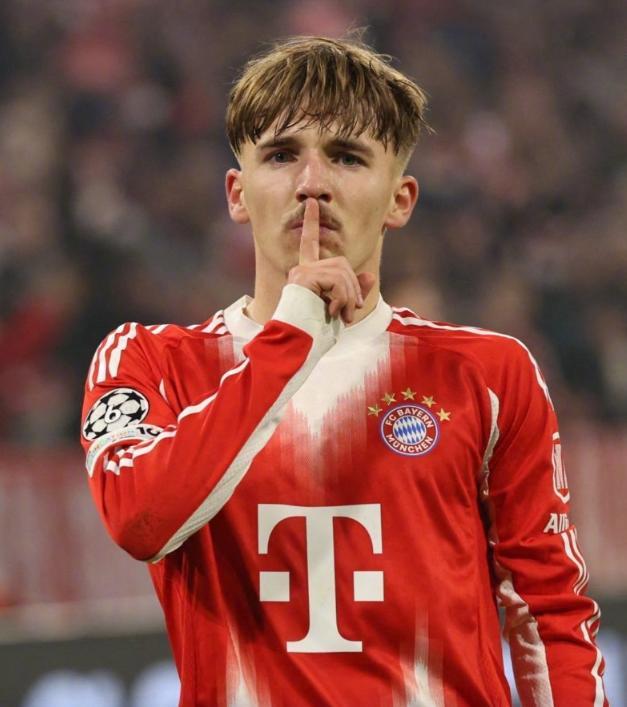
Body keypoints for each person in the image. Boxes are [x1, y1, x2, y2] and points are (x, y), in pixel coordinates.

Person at [80, 35, 607, 706]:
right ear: (236, 194)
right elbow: (140, 520)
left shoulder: (487, 374)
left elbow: (547, 611)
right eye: (281, 155)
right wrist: (291, 336)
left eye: (347, 157)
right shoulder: (148, 360)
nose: (311, 184)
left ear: (400, 200)